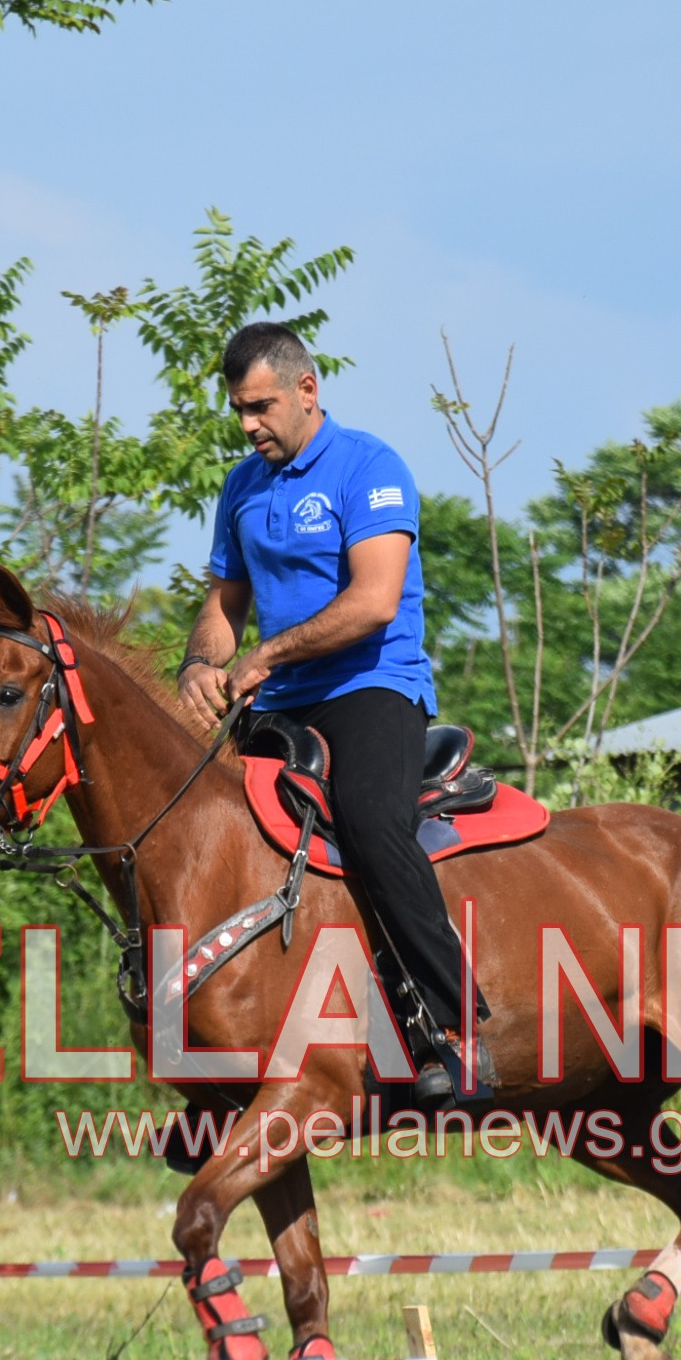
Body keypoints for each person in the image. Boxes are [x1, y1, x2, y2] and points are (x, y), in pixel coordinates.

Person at [178, 321, 493, 1101]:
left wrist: (265, 657)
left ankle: (458, 1030)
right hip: (277, 704)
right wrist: (200, 664)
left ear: (307, 391)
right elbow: (224, 602)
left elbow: (375, 601)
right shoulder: (241, 485)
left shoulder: (370, 466)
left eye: (261, 407)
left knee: (369, 820)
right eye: (238, 411)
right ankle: (229, 1063)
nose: (249, 426)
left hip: (370, 688)